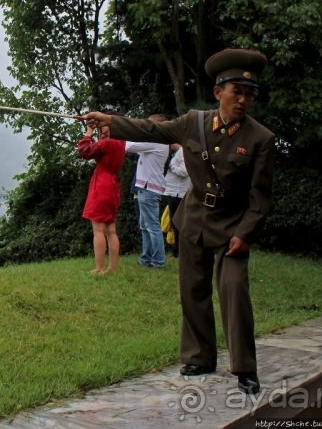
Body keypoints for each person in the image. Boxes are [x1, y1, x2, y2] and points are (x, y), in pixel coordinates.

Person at [77, 48, 275, 396]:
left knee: (234, 291)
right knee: (192, 290)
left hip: (233, 224)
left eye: (249, 94)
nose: (243, 100)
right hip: (195, 217)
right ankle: (200, 357)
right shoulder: (194, 122)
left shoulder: (260, 139)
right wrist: (109, 120)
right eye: (236, 92)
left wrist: (246, 234)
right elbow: (152, 129)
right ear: (218, 92)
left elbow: (261, 199)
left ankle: (244, 367)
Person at [77, 114, 127, 274]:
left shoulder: (107, 143)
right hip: (112, 185)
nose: (102, 133)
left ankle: (99, 267)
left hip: (102, 185)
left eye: (105, 130)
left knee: (98, 229)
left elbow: (84, 151)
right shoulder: (120, 142)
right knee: (111, 230)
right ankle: (112, 267)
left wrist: (89, 131)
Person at [124, 115, 168, 270]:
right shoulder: (157, 141)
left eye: (149, 125)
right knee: (145, 226)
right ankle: (147, 258)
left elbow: (128, 147)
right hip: (148, 188)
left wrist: (132, 129)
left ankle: (157, 262)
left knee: (152, 227)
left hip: (149, 189)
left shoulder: (155, 141)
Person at [163, 144, 190, 258]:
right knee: (174, 223)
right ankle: (177, 251)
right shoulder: (177, 153)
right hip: (172, 192)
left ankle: (178, 253)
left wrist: (171, 167)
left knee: (178, 223)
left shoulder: (183, 151)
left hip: (178, 193)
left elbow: (185, 171)